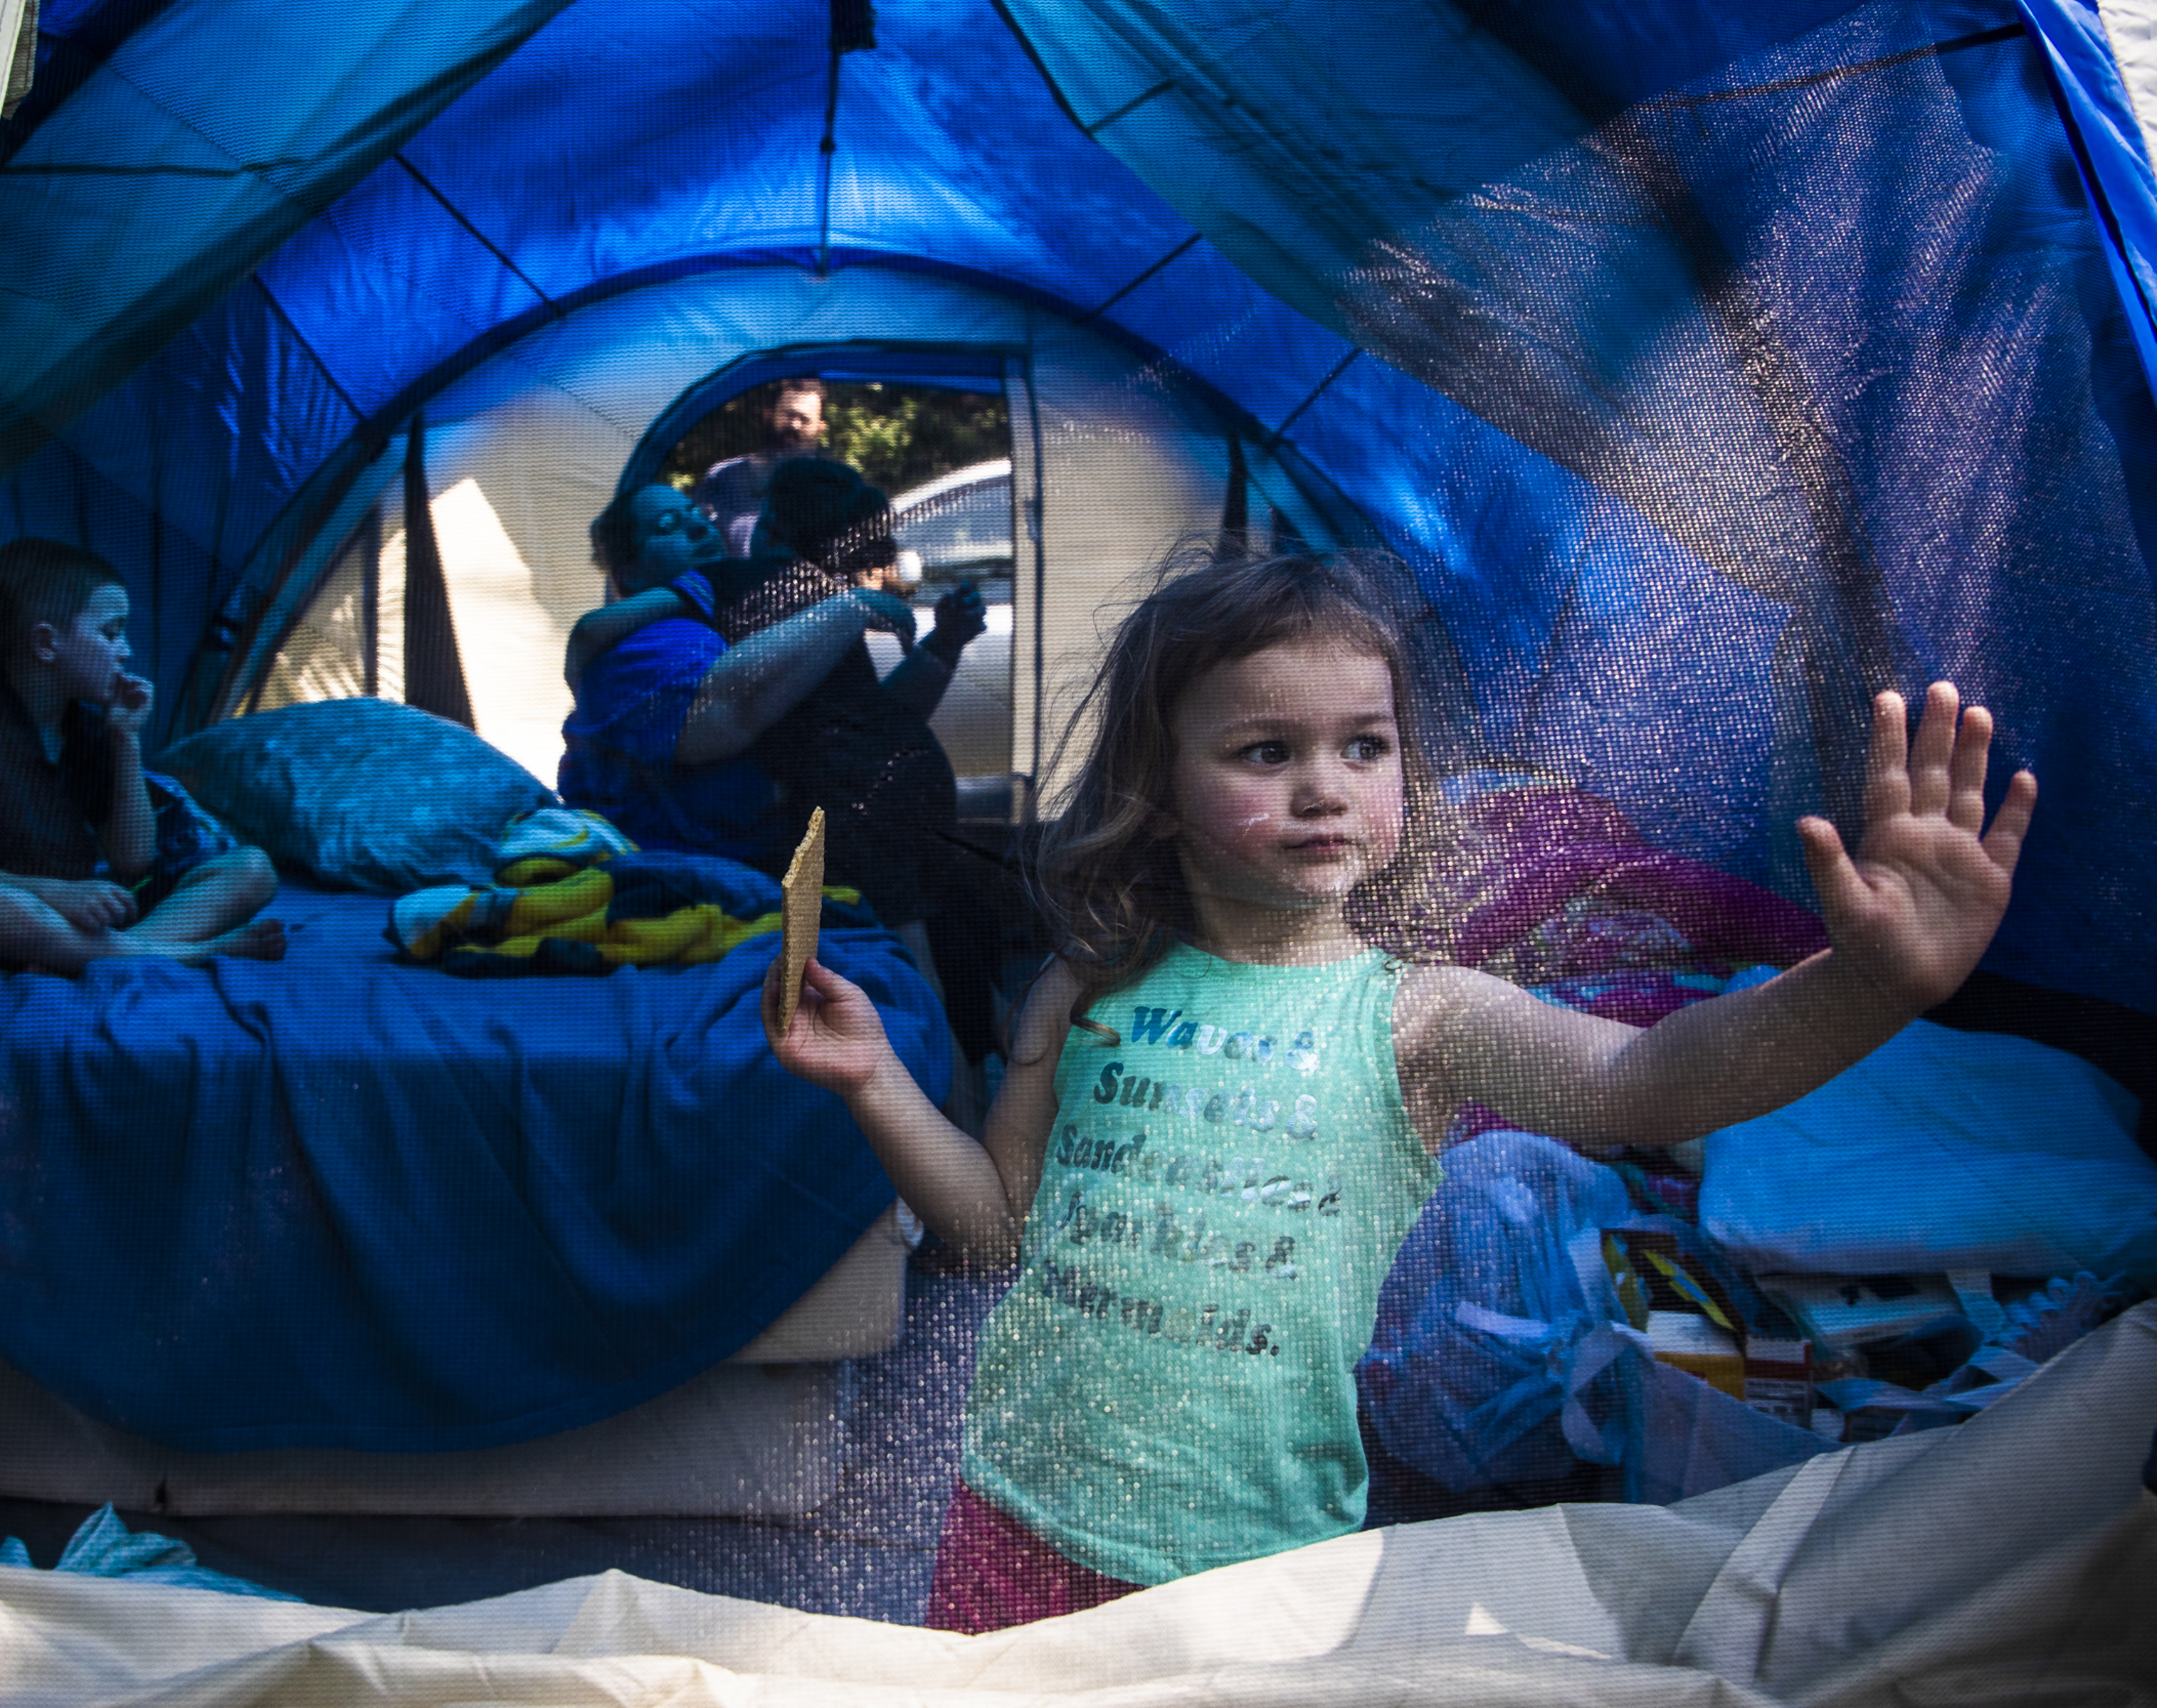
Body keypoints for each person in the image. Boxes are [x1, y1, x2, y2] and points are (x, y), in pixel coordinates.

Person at [764, 549, 2035, 1632]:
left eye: (1362, 746)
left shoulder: (1420, 1018)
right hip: (1011, 1517)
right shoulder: (1084, 991)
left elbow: (1651, 1084)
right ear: (1159, 794)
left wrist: (1866, 989)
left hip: (1251, 1564)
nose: (1325, 785)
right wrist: (875, 1077)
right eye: (1267, 750)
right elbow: (992, 1233)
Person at [0, 537, 283, 972]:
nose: (125, 650)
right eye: (110, 633)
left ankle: (107, 954)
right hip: (14, 914)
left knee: (254, 868)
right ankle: (191, 951)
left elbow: (133, 858)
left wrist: (125, 739)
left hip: (83, 913)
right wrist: (58, 893)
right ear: (47, 644)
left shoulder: (86, 728)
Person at [557, 485, 914, 870]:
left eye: (699, 515)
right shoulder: (640, 646)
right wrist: (852, 606)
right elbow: (725, 714)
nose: (699, 528)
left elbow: (869, 730)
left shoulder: (737, 621)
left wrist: (942, 649)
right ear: (629, 574)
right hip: (686, 882)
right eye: (668, 526)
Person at [692, 376, 828, 557]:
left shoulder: (832, 490)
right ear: (768, 415)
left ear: (820, 428)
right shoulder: (723, 477)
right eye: (788, 415)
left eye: (805, 420)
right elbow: (693, 543)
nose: (794, 425)